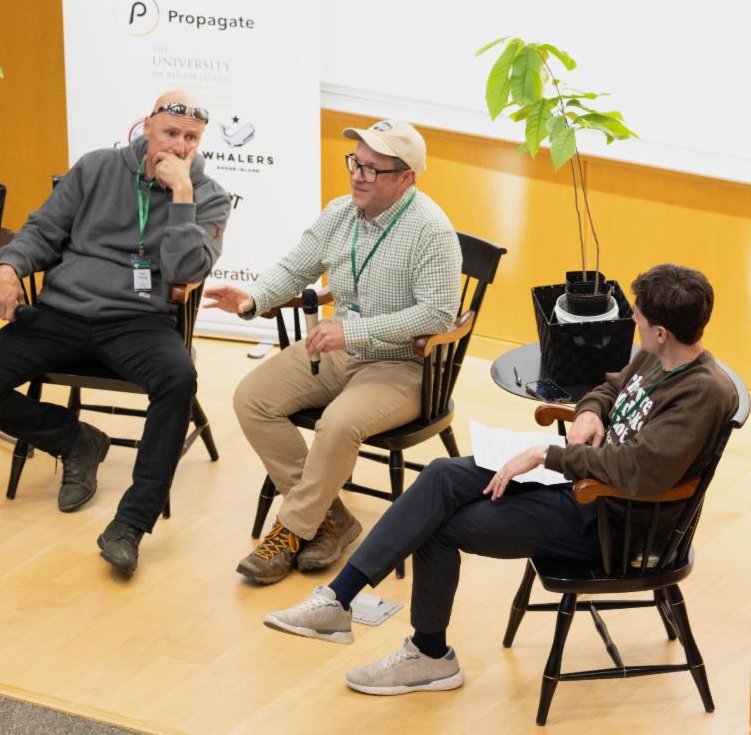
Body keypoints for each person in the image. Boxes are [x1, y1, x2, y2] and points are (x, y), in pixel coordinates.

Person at [263, 263, 739, 696]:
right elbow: (612, 385)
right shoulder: (659, 356)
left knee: (437, 526)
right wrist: (591, 412)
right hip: (583, 485)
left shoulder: (702, 393)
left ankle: (429, 655)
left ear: (661, 332)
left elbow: (642, 473)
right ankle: (337, 600)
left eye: (638, 317)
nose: (632, 320)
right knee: (441, 475)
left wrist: (549, 455)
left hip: (610, 520)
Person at [0, 93, 230, 577]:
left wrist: (182, 198)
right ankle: (75, 439)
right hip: (63, 312)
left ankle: (130, 525)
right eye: (170, 133)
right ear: (147, 127)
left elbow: (187, 271)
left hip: (138, 322)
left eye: (191, 138)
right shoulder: (98, 167)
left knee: (179, 379)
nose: (179, 146)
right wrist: (8, 267)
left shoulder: (208, 196)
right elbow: (43, 229)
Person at [206, 119, 460, 585]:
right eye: (355, 164)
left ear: (407, 178)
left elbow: (437, 316)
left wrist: (352, 331)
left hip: (403, 364)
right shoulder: (340, 213)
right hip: (340, 350)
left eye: (372, 169)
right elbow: (294, 267)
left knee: (338, 425)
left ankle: (290, 530)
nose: (358, 176)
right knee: (252, 398)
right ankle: (330, 519)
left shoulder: (431, 231)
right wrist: (252, 298)